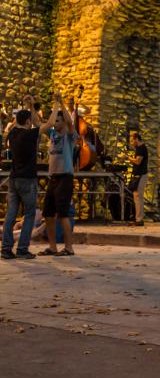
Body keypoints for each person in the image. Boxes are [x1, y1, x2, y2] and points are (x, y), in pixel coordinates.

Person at [1, 97, 41, 260]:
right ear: (28, 121)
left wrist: (28, 107)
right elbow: (42, 125)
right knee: (30, 213)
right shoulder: (30, 134)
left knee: (10, 214)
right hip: (27, 178)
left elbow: (19, 122)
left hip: (14, 177)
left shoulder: (12, 133)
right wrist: (32, 108)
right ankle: (23, 248)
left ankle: (6, 248)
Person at [39, 93, 78, 257]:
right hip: (53, 178)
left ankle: (69, 248)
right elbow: (39, 124)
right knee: (47, 214)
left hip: (65, 177)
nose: (55, 123)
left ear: (63, 122)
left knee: (63, 214)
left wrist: (61, 104)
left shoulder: (69, 136)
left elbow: (70, 122)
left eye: (57, 121)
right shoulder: (53, 134)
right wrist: (32, 107)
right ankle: (53, 247)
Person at [128, 132, 148, 227]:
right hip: (139, 175)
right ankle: (138, 218)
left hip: (141, 175)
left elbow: (138, 161)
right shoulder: (139, 148)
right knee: (137, 197)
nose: (132, 142)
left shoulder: (141, 148)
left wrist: (128, 158)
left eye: (133, 140)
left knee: (138, 197)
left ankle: (139, 219)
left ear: (136, 139)